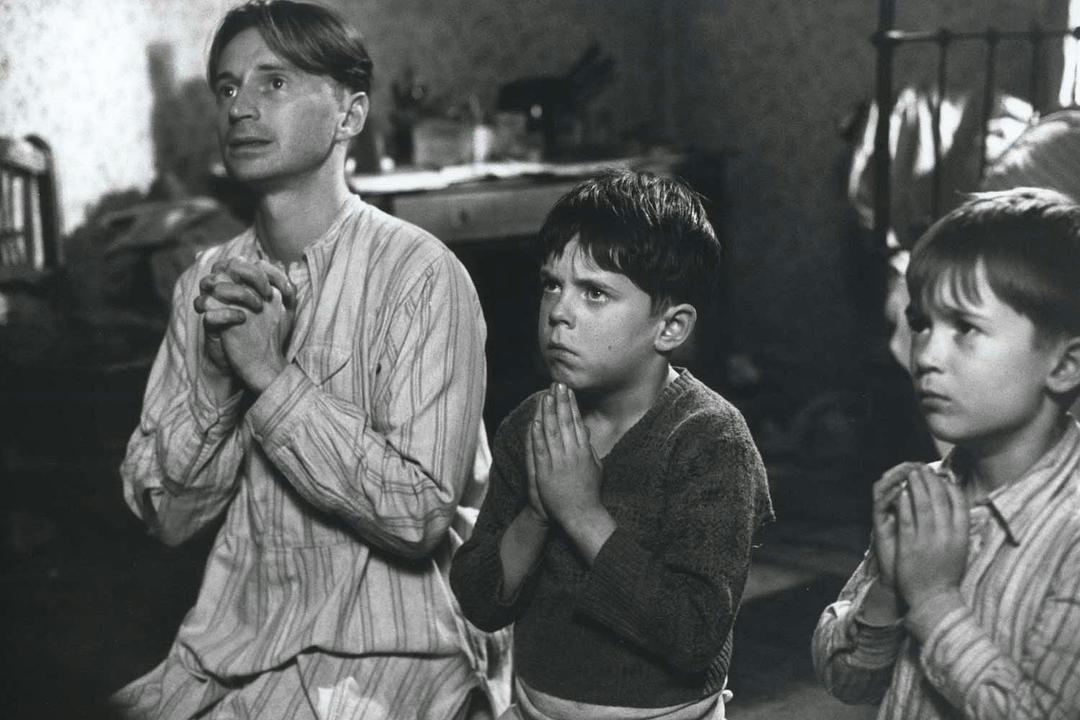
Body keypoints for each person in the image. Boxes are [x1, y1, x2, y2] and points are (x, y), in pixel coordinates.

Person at [111, 2, 508, 718]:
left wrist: (270, 378)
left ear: (350, 115)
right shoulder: (205, 284)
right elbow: (168, 519)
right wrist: (220, 381)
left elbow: (419, 516)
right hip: (235, 647)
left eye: (275, 82)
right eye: (228, 88)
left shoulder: (422, 275)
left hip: (398, 649)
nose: (241, 108)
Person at [450, 171, 774, 720]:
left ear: (670, 328)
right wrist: (538, 510)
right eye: (552, 284)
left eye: (594, 293)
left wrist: (581, 513)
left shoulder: (711, 439)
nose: (559, 312)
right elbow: (479, 600)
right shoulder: (531, 425)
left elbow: (694, 633)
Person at [812, 187, 1080, 719]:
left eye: (966, 328)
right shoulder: (926, 495)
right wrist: (889, 590)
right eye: (921, 324)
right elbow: (847, 681)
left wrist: (934, 600)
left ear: (1064, 365)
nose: (927, 355)